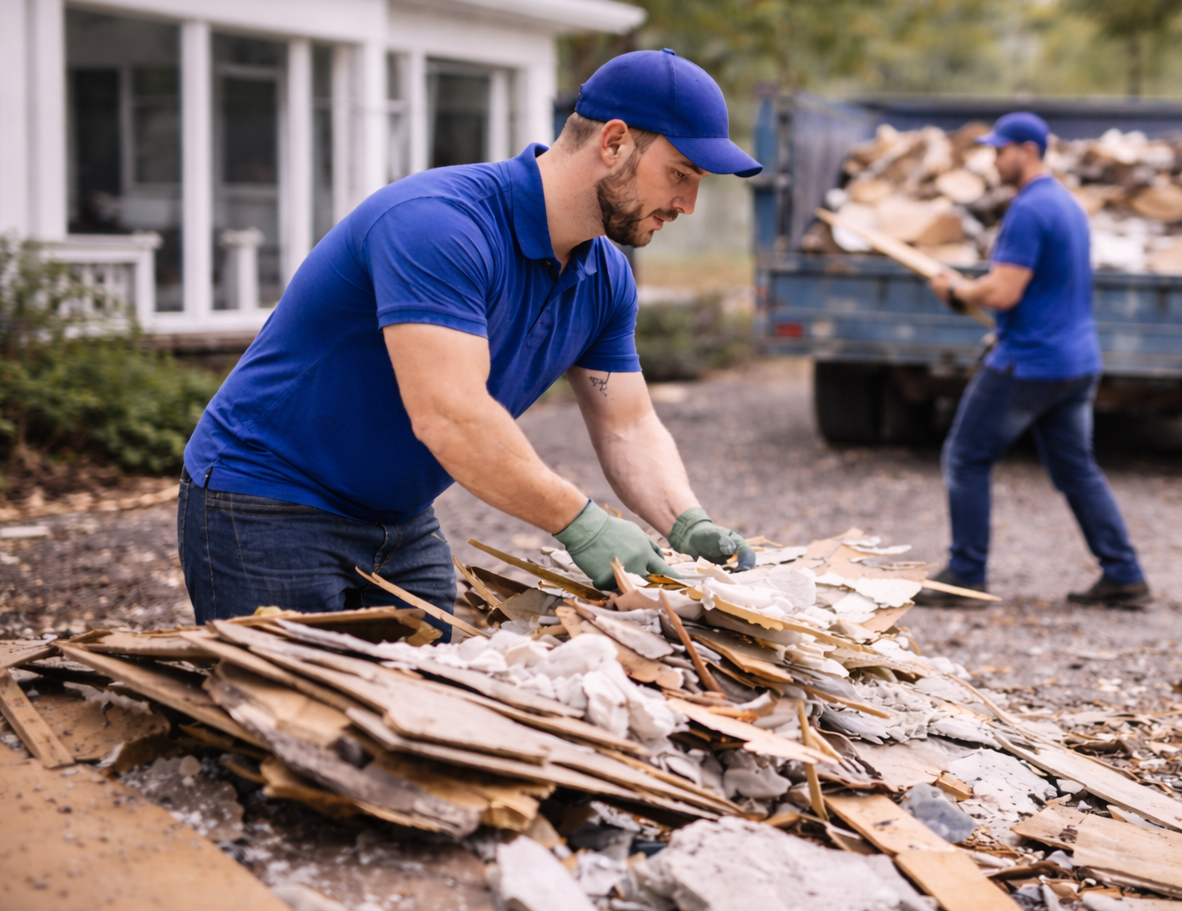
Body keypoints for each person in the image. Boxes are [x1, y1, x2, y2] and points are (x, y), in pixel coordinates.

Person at [179, 49, 761, 633]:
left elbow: (626, 424)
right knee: (293, 693)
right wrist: (581, 524)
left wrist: (686, 521)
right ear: (613, 143)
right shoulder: (440, 224)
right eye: (681, 174)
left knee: (432, 686)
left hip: (400, 519)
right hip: (266, 499)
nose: (688, 205)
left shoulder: (605, 277)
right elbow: (450, 415)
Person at [917, 112, 1151, 609]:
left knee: (965, 456)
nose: (993, 160)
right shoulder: (1067, 203)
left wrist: (955, 290)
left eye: (1000, 151)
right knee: (1076, 470)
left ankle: (966, 573)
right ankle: (1124, 574)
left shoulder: (1028, 209)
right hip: (1076, 362)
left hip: (1029, 363)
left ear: (1027, 150)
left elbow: (1004, 291)